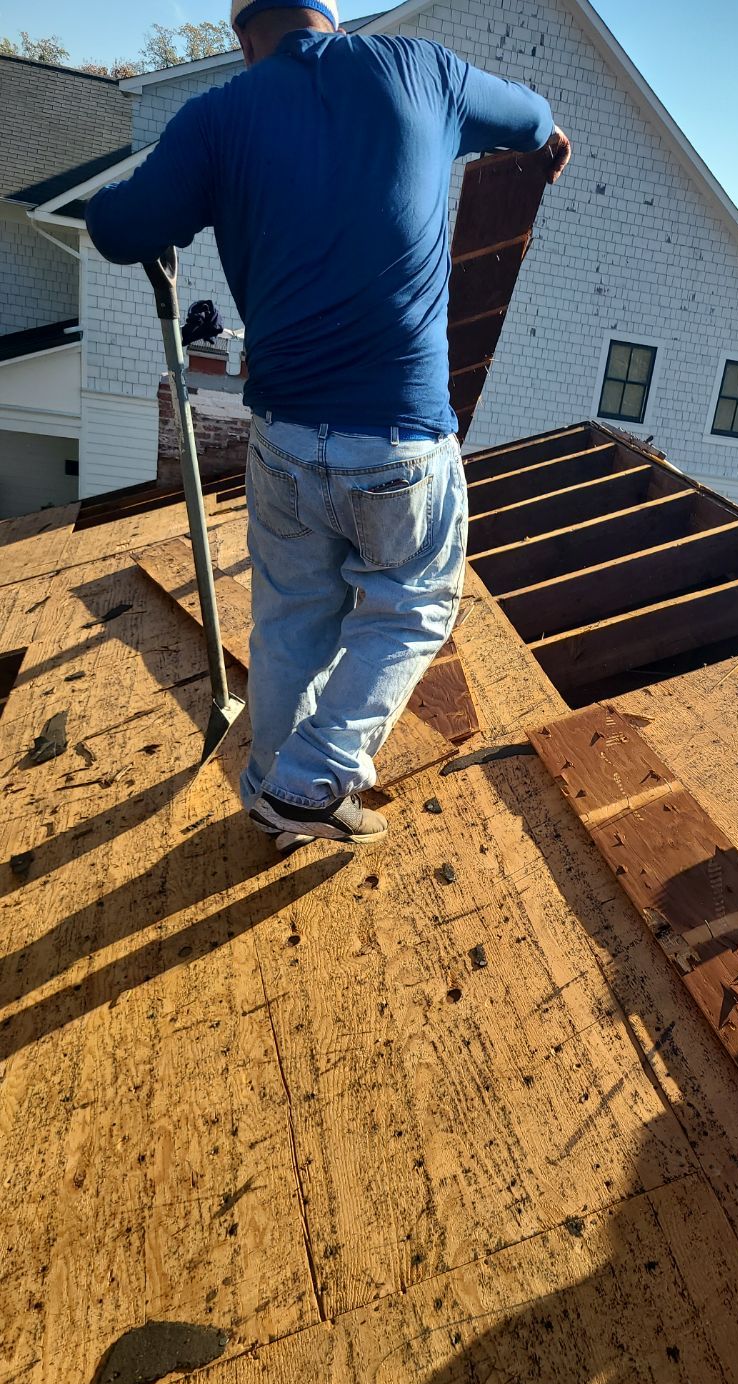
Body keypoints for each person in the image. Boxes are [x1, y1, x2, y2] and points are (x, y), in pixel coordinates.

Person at [86, 1, 570, 852]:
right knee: (412, 605)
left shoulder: (218, 118)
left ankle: (278, 789)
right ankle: (309, 786)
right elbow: (533, 119)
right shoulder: (422, 72)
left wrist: (139, 209)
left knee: (290, 623)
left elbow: (119, 228)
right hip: (400, 441)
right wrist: (536, 144)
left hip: (282, 438)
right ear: (331, 15)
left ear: (245, 33)